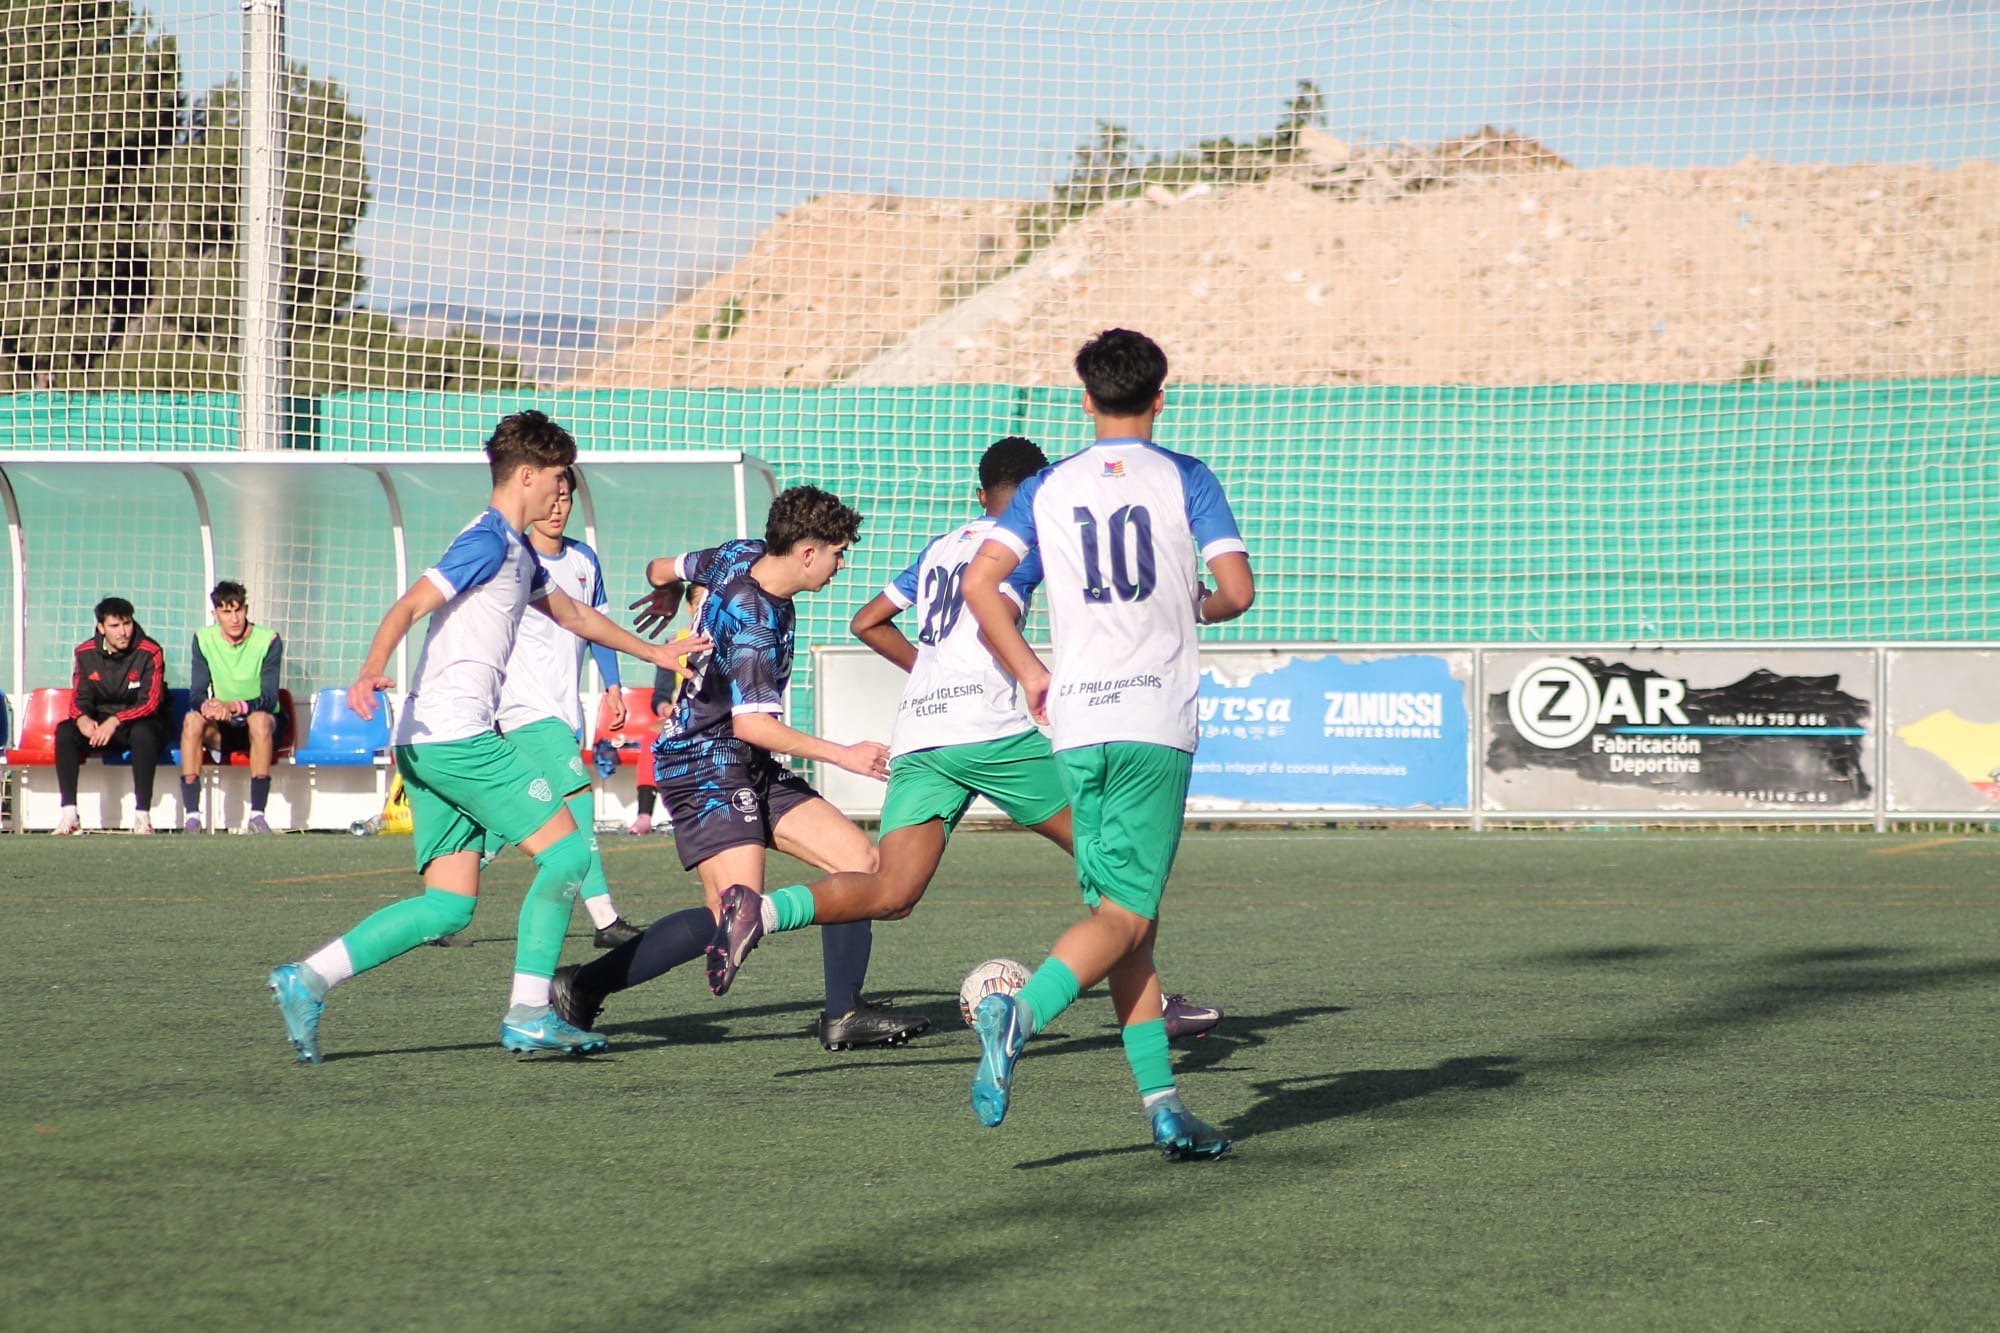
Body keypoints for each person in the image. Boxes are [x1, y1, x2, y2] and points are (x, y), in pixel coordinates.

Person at [702, 437, 1223, 1042]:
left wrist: (934, 672)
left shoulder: (940, 547)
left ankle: (762, 910)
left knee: (893, 891)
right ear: (1039, 493)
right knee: (1111, 855)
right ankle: (1150, 1010)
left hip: (922, 730)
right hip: (989, 732)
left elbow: (866, 621)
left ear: (980, 495)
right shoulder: (1033, 540)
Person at [264, 410, 701, 1064]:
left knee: (447, 906)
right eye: (556, 478)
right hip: (457, 737)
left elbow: (576, 615)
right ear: (526, 475)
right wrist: (370, 667)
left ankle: (308, 978)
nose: (562, 491)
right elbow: (411, 604)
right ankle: (529, 1013)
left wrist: (656, 654)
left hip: (423, 741)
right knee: (567, 853)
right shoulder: (489, 541)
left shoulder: (518, 552)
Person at [960, 329, 1255, 1161]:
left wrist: (1029, 669)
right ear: (1160, 397)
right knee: (1126, 914)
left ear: (1085, 399)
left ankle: (1165, 1106)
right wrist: (1193, 603)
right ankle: (1020, 1013)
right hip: (1152, 722)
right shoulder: (1186, 476)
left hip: (1078, 724)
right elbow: (1237, 590)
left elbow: (981, 582)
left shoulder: (1047, 484)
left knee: (1127, 922)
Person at [551, 486, 926, 1052]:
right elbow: (753, 726)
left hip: (744, 759)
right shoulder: (755, 625)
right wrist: (844, 754)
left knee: (860, 863)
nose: (841, 565)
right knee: (732, 910)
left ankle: (844, 1012)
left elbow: (659, 567)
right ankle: (581, 986)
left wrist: (667, 590)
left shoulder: (738, 552)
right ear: (807, 552)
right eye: (838, 553)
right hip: (702, 760)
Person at [493, 465, 642, 948]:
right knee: (579, 805)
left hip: (564, 711)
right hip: (524, 708)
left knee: (511, 814)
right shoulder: (512, 557)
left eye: (566, 499)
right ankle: (605, 920)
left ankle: (445, 903)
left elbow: (594, 624)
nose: (557, 508)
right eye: (551, 497)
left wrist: (613, 686)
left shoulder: (584, 560)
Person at [52, 597, 169, 835]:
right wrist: (82, 719)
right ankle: (69, 815)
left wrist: (115, 721)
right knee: (65, 731)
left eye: (127, 624)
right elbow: (79, 698)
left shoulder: (150, 651)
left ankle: (143, 817)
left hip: (139, 722)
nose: (123, 632)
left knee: (143, 732)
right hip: (102, 727)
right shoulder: (85, 653)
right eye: (115, 626)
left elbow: (150, 702)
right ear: (101, 628)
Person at [178, 580, 285, 834]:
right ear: (215, 614)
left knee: (259, 720)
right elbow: (196, 694)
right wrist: (209, 707)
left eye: (238, 610)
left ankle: (257, 816)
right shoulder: (203, 638)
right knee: (192, 720)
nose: (234, 618)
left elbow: (270, 698)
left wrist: (233, 706)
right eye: (226, 612)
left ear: (246, 609)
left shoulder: (269, 639)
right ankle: (192, 817)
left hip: (261, 725)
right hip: (223, 725)